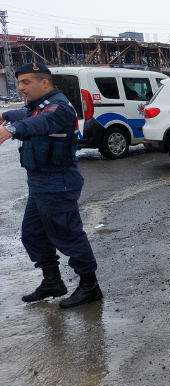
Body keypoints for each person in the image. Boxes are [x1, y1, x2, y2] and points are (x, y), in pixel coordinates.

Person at [0, 62, 102, 308]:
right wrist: (4, 115)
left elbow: (38, 124)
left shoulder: (58, 109)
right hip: (40, 183)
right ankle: (52, 281)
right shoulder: (39, 106)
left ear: (44, 82)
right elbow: (26, 115)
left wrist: (11, 130)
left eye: (26, 82)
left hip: (58, 183)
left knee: (68, 235)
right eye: (19, 82)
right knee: (33, 234)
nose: (20, 87)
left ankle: (90, 286)